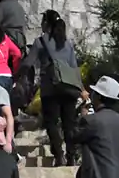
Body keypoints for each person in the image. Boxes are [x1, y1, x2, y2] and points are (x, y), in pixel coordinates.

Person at [26, 10, 84, 167]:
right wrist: (82, 89)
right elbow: (74, 68)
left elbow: (28, 63)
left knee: (52, 122)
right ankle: (72, 156)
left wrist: (17, 75)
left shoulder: (40, 42)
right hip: (70, 88)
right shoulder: (68, 43)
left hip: (50, 88)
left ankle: (59, 156)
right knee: (69, 124)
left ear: (46, 24)